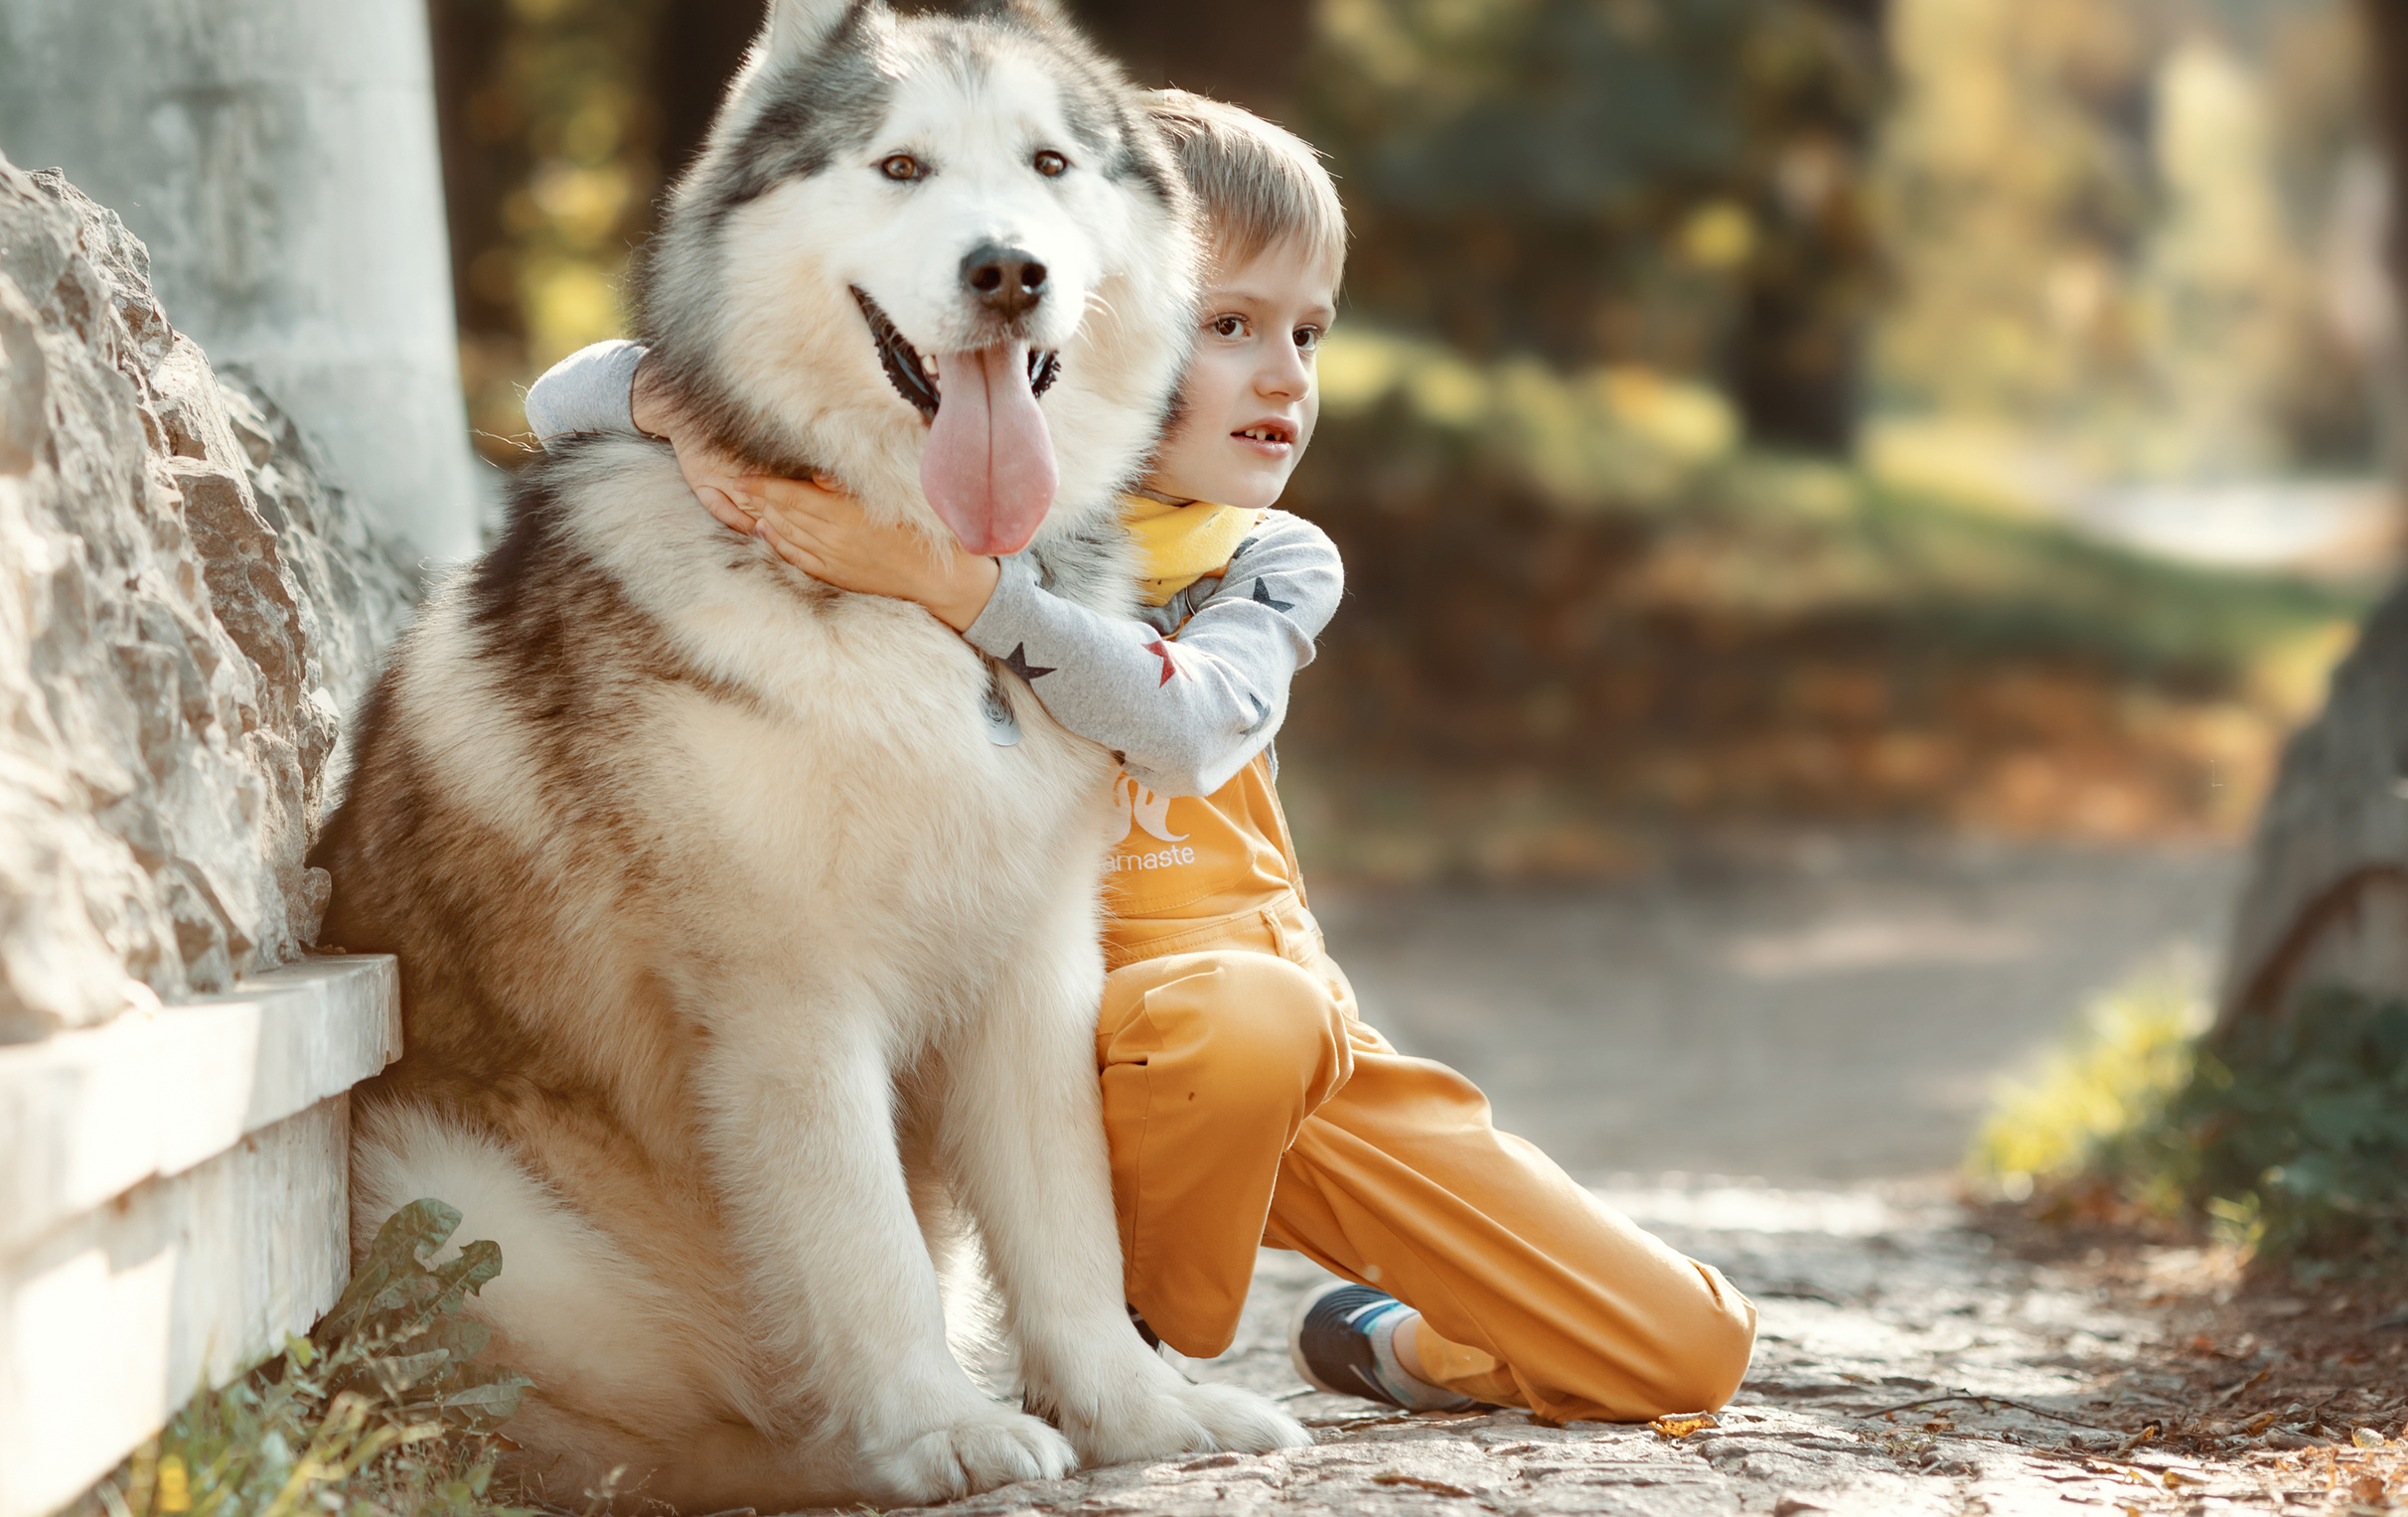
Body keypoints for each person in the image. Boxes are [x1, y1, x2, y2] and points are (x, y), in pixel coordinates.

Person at [521, 91, 1756, 1423]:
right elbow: (563, 398)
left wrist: (961, 596)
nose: (1284, 374)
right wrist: (687, 412)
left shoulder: (1265, 557)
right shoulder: (946, 490)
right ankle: (1108, 1352)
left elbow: (1186, 726)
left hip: (1276, 1055)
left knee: (1687, 1350)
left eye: (1307, 332)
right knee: (1225, 1026)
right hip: (1040, 1063)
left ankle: (1391, 1341)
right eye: (1228, 326)